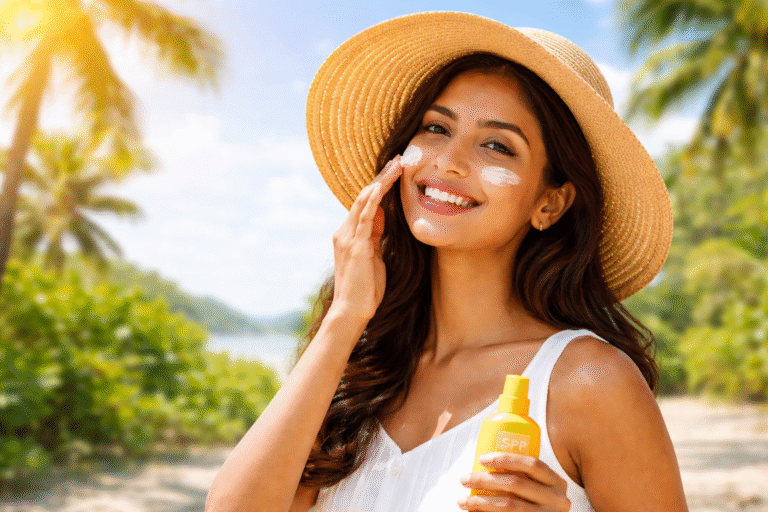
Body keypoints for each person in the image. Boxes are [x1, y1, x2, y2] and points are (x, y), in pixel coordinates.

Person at [206, 11, 688, 512]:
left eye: (496, 145)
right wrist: (345, 318)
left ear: (551, 203)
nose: (448, 161)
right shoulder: (362, 369)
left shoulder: (588, 382)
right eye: (436, 128)